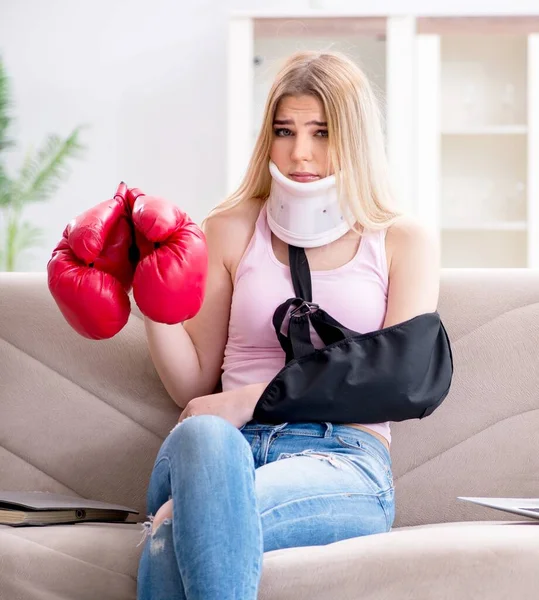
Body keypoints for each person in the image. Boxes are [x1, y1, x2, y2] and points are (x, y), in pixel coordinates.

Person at [136, 50, 440, 600]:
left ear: (354, 138)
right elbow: (193, 388)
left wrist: (255, 398)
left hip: (341, 458)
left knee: (182, 523)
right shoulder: (229, 229)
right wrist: (149, 293)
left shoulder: (401, 239)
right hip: (219, 447)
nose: (301, 152)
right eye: (285, 131)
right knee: (203, 435)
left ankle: (185, 513)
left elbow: (403, 378)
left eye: (321, 132)